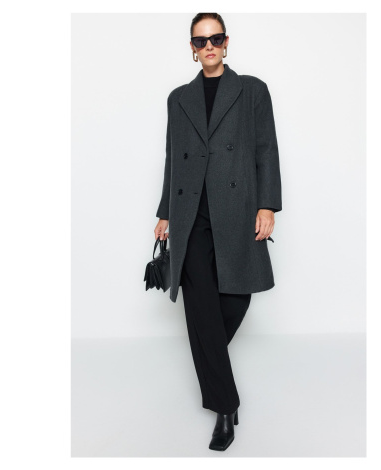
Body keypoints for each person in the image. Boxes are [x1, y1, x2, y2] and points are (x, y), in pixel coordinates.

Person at [153, 13, 282, 451]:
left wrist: (267, 205)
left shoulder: (252, 90)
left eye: (215, 38)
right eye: (200, 40)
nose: (208, 45)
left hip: (237, 211)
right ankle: (226, 407)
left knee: (234, 299)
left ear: (226, 43)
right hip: (190, 216)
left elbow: (266, 149)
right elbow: (172, 157)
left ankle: (210, 365)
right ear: (192, 48)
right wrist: (165, 212)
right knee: (202, 307)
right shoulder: (178, 98)